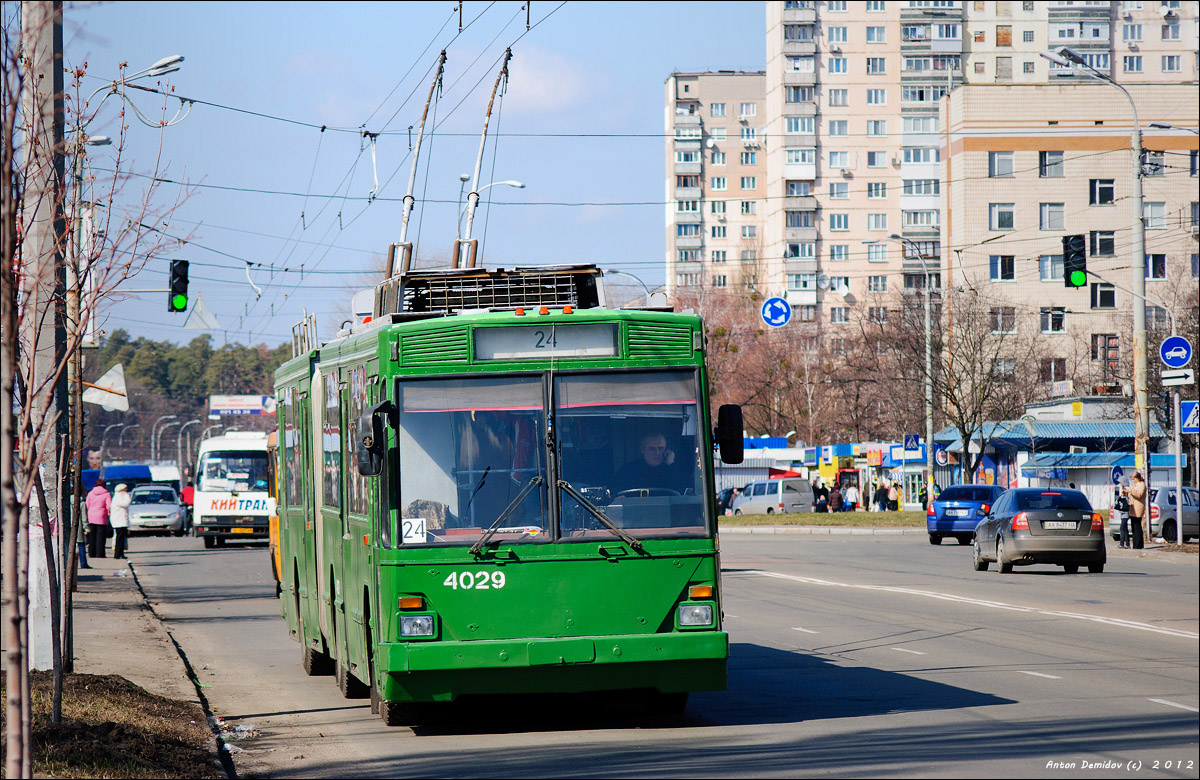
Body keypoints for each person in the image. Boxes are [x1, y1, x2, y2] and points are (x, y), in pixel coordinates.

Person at [613, 432, 688, 494]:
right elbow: (616, 493)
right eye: (652, 449)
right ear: (642, 449)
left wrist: (671, 464)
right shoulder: (628, 471)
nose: (657, 453)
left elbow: (686, 491)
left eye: (660, 448)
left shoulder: (673, 470)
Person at [85, 478, 112, 559]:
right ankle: (100, 553)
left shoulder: (90, 493)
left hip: (91, 515)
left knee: (92, 535)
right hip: (101, 516)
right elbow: (109, 506)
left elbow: (87, 504)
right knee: (101, 536)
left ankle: (91, 553)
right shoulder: (106, 494)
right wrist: (108, 514)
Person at [1124, 471, 1147, 550]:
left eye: (1134, 479)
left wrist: (1130, 490)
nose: (1133, 480)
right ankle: (1136, 544)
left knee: (1137, 526)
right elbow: (1131, 493)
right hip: (1132, 507)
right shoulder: (1135, 485)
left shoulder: (1142, 485)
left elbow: (1139, 494)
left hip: (1138, 508)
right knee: (1134, 526)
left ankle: (1138, 544)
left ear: (1137, 478)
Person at [110, 484, 132, 559]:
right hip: (118, 521)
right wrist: (126, 496)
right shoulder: (117, 498)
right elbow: (126, 503)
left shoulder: (119, 497)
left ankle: (121, 553)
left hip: (121, 520)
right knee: (119, 538)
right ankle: (117, 554)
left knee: (122, 538)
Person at [1115, 483, 1132, 548]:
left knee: (1122, 528)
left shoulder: (1125, 499)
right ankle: (1127, 544)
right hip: (1123, 515)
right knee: (1125, 529)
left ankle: (1122, 543)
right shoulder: (1124, 499)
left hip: (1125, 515)